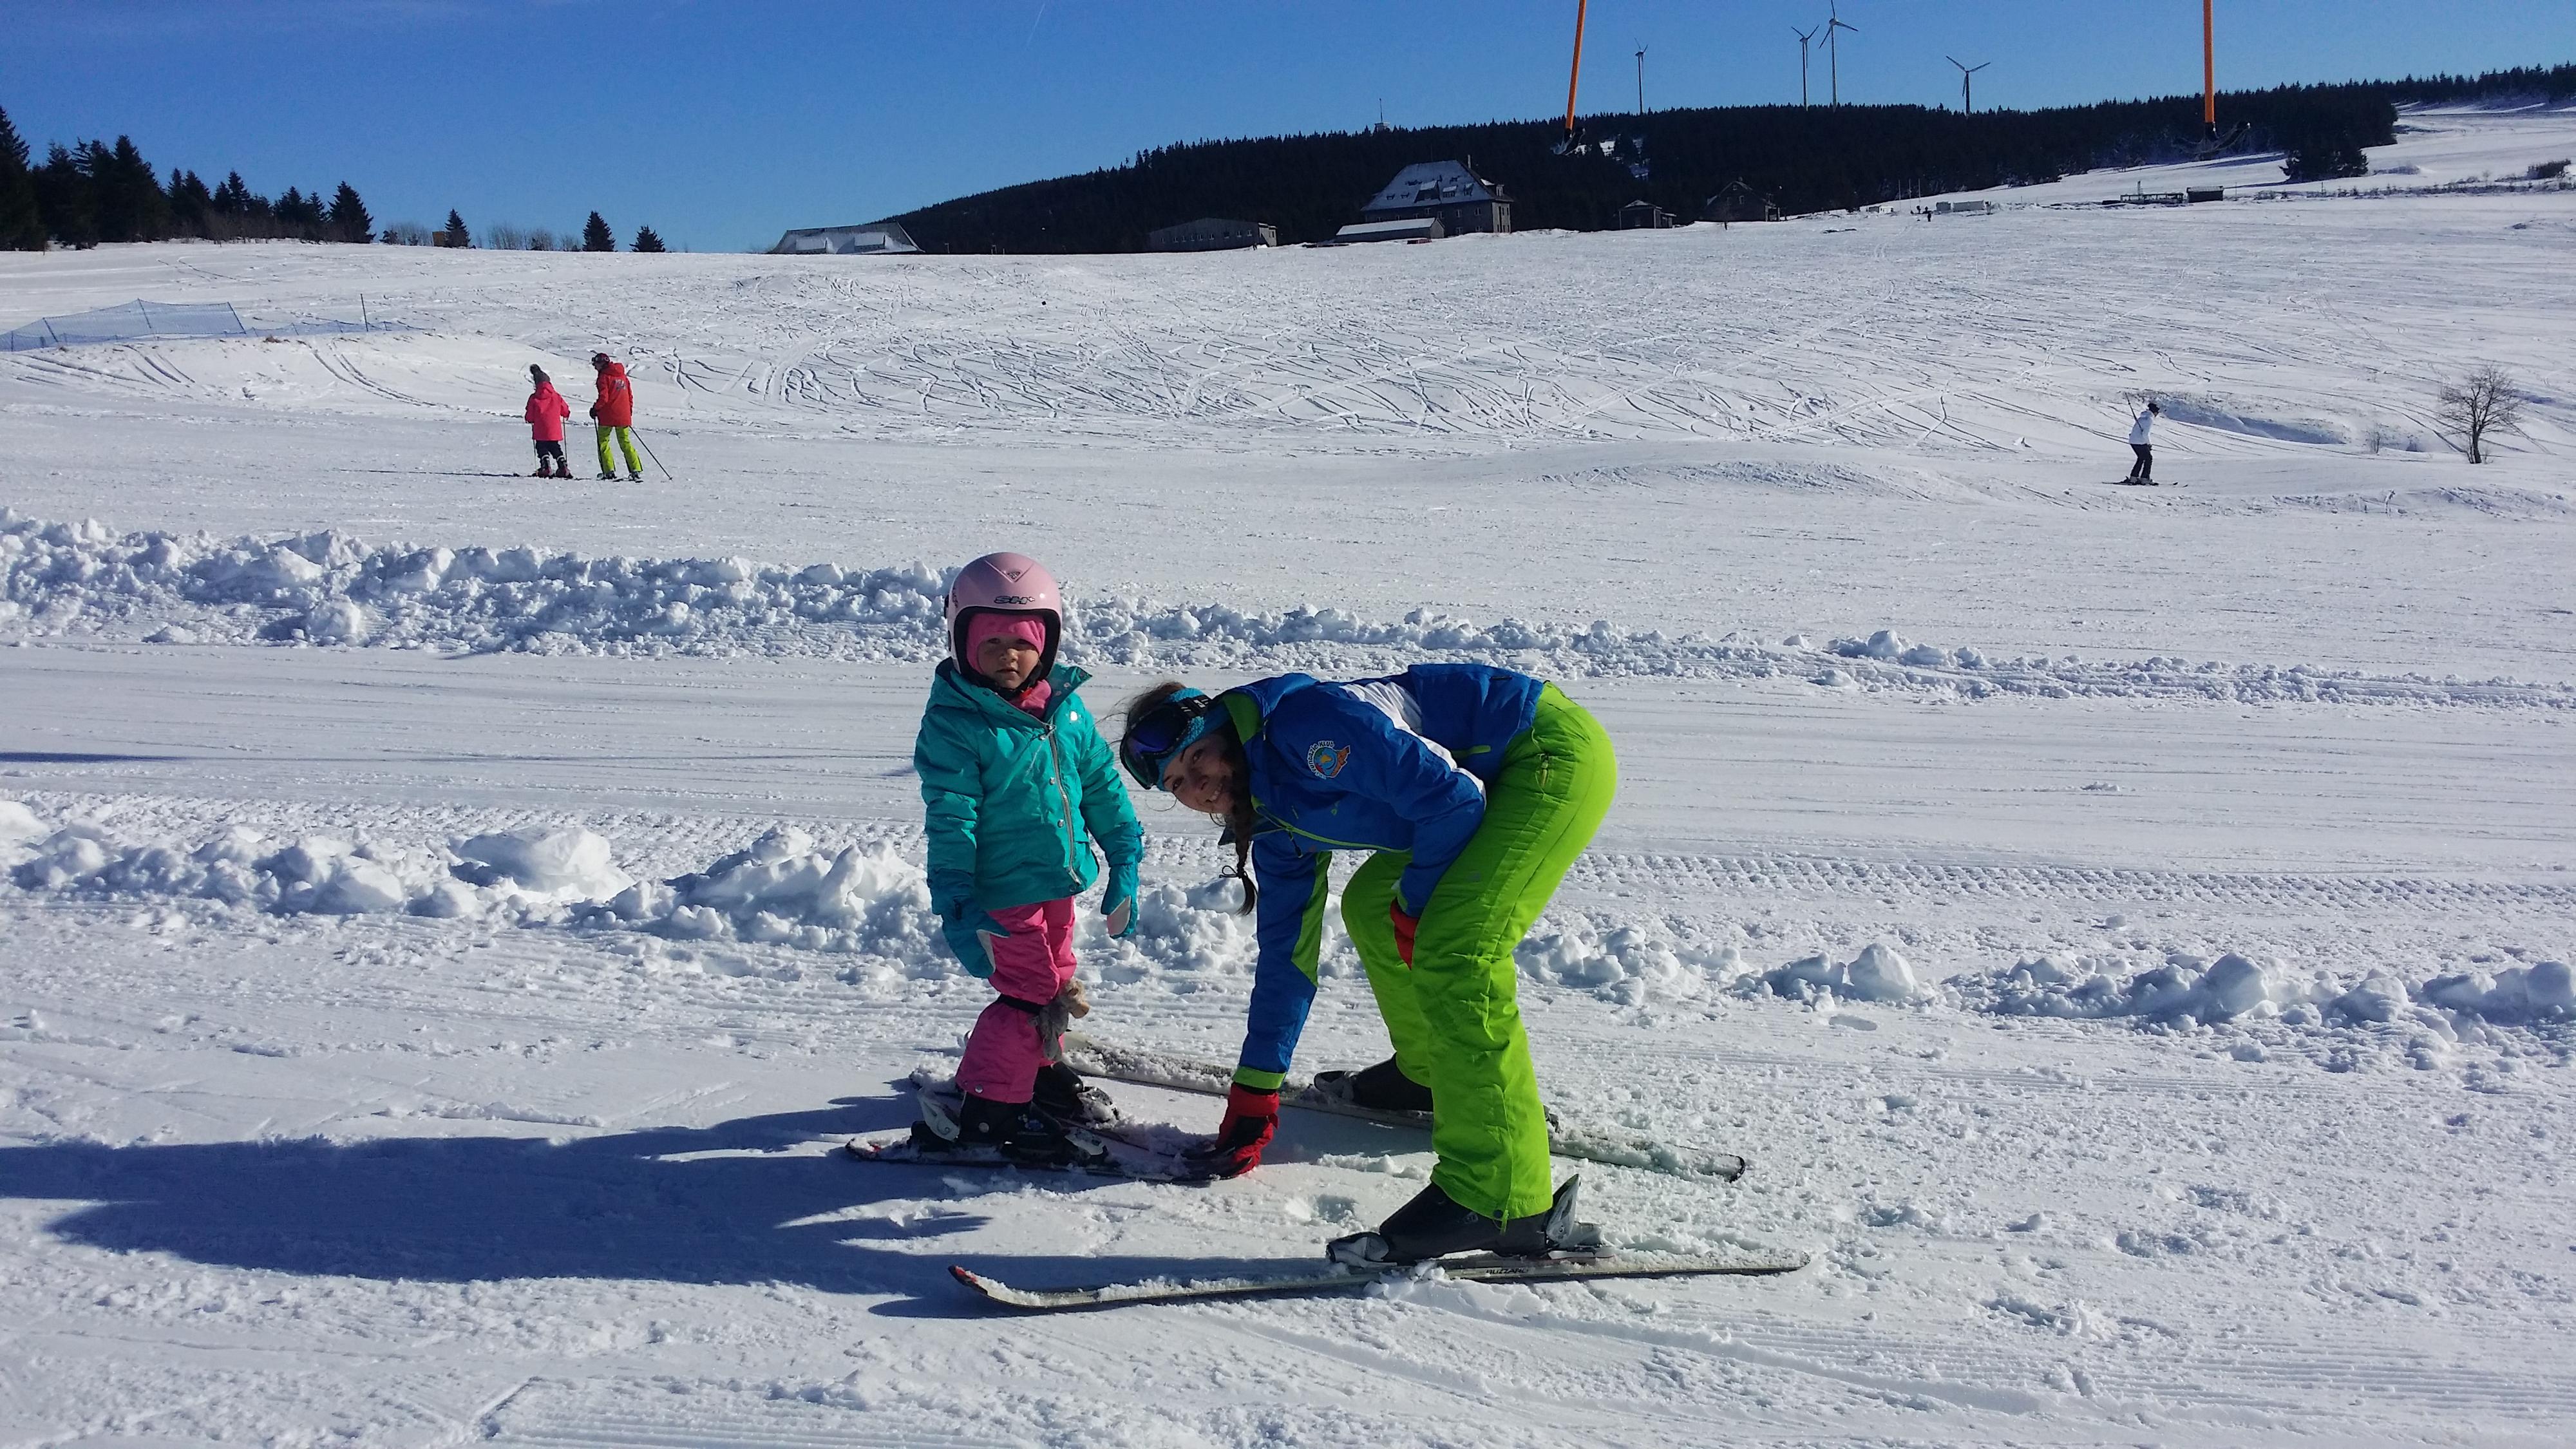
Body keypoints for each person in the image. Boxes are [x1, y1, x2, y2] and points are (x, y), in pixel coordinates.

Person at [1119, 664, 1616, 1264]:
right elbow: (1286, 960)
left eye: (1197, 758)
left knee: (1455, 950)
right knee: (1371, 906)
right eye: (1176, 782)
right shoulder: (1273, 824)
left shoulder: (1307, 729)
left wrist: (1416, 906)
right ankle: (1429, 1072)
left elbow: (1452, 801)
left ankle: (1503, 1198)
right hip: (1470, 790)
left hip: (1539, 753)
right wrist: (1255, 1092)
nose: (1197, 785)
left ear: (1225, 729)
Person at [913, 552, 1144, 1166]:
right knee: (1026, 998)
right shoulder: (956, 723)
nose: (1008, 656)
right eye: (991, 643)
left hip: (1056, 882)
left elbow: (1100, 786)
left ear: (1048, 641)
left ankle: (1036, 1073)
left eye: (1023, 641)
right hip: (998, 893)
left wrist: (1124, 858)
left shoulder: (1064, 711)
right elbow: (952, 817)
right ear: (963, 641)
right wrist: (959, 902)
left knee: (1057, 982)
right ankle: (988, 1115)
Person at [589, 352, 643, 482]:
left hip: (607, 416)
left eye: (596, 364)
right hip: (623, 415)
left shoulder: (604, 377)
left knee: (604, 442)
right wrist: (628, 412)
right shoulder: (623, 376)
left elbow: (604, 398)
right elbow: (630, 396)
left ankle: (609, 471)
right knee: (625, 442)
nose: (595, 367)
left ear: (602, 364)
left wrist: (595, 409)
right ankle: (635, 470)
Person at [522, 365, 572, 478]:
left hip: (540, 429)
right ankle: (562, 466)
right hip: (554, 428)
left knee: (541, 447)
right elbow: (564, 409)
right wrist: (566, 414)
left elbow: (530, 413)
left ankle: (545, 467)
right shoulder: (556, 396)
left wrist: (529, 419)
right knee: (555, 446)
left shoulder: (534, 397)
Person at [2126, 399, 2163, 484]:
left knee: (2141, 458)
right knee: (2149, 459)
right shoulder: (2149, 419)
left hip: (2133, 441)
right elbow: (2145, 434)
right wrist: (2149, 444)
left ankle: (2134, 478)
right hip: (2140, 441)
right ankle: (2145, 478)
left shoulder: (2142, 417)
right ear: (2155, 412)